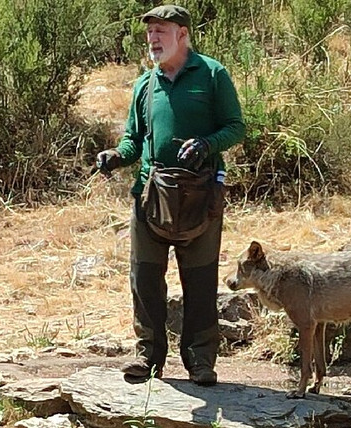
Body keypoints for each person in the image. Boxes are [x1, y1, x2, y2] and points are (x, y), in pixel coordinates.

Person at [97, 4, 245, 386]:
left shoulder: (212, 74)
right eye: (149, 32)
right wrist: (117, 156)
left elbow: (236, 127)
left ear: (182, 34)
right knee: (145, 279)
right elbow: (133, 140)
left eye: (160, 31)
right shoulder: (144, 85)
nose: (153, 39)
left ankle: (201, 362)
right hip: (150, 197)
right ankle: (147, 357)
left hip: (200, 197)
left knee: (200, 282)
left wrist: (207, 144)